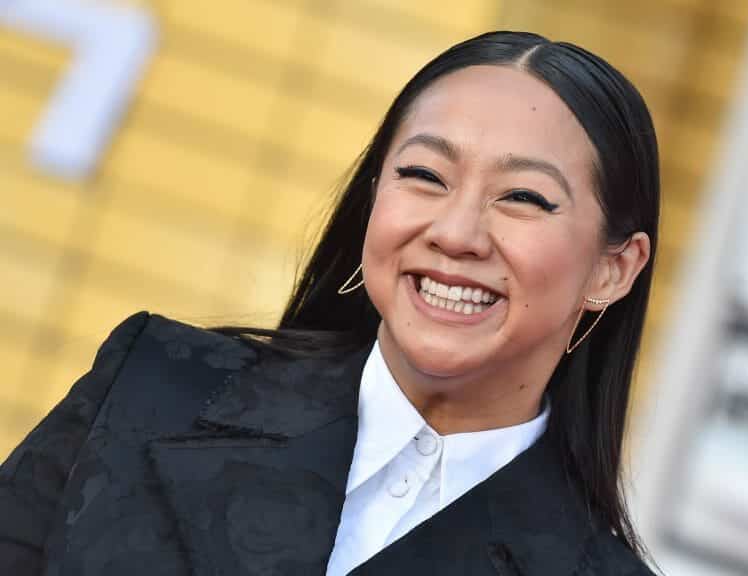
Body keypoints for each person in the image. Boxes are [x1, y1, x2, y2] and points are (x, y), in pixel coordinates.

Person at [0, 30, 658, 575]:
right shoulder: (155, 383)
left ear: (612, 269)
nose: (455, 234)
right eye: (424, 176)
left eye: (523, 197)